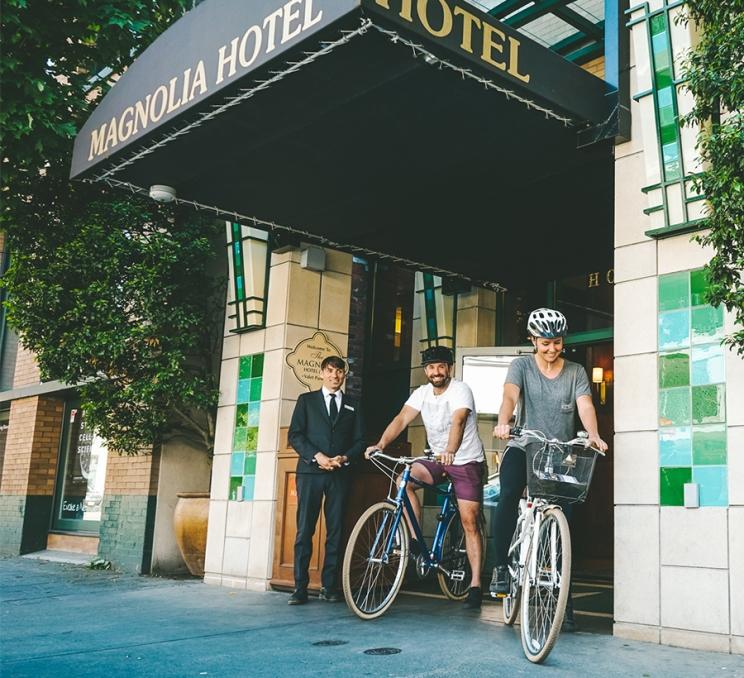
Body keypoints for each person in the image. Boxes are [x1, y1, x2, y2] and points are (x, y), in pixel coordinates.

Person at [489, 308, 608, 629]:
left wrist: (593, 435)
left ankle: (563, 603)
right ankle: (501, 567)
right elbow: (509, 396)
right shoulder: (522, 366)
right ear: (533, 341)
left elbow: (585, 404)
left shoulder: (576, 372)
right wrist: (503, 422)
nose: (552, 349)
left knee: (564, 522)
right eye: (545, 343)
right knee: (510, 490)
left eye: (557, 342)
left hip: (560, 454)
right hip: (524, 445)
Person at [365, 345, 486, 610]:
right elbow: (401, 419)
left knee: (469, 521)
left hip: (465, 460)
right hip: (436, 460)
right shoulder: (421, 393)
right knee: (403, 481)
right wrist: (381, 444)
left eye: (441, 366)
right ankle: (416, 542)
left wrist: (451, 451)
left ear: (449, 368)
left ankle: (475, 584)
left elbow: (459, 421)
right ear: (425, 371)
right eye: (431, 367)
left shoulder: (460, 390)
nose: (436, 372)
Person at [287, 355, 365, 605]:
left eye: (339, 372)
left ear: (344, 375)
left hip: (340, 474)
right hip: (311, 473)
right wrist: (317, 456)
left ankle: (329, 586)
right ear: (322, 373)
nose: (335, 376)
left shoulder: (354, 404)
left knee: (336, 531)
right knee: (304, 530)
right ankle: (300, 587)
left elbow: (360, 440)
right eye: (330, 371)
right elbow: (295, 435)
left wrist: (344, 457)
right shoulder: (306, 401)